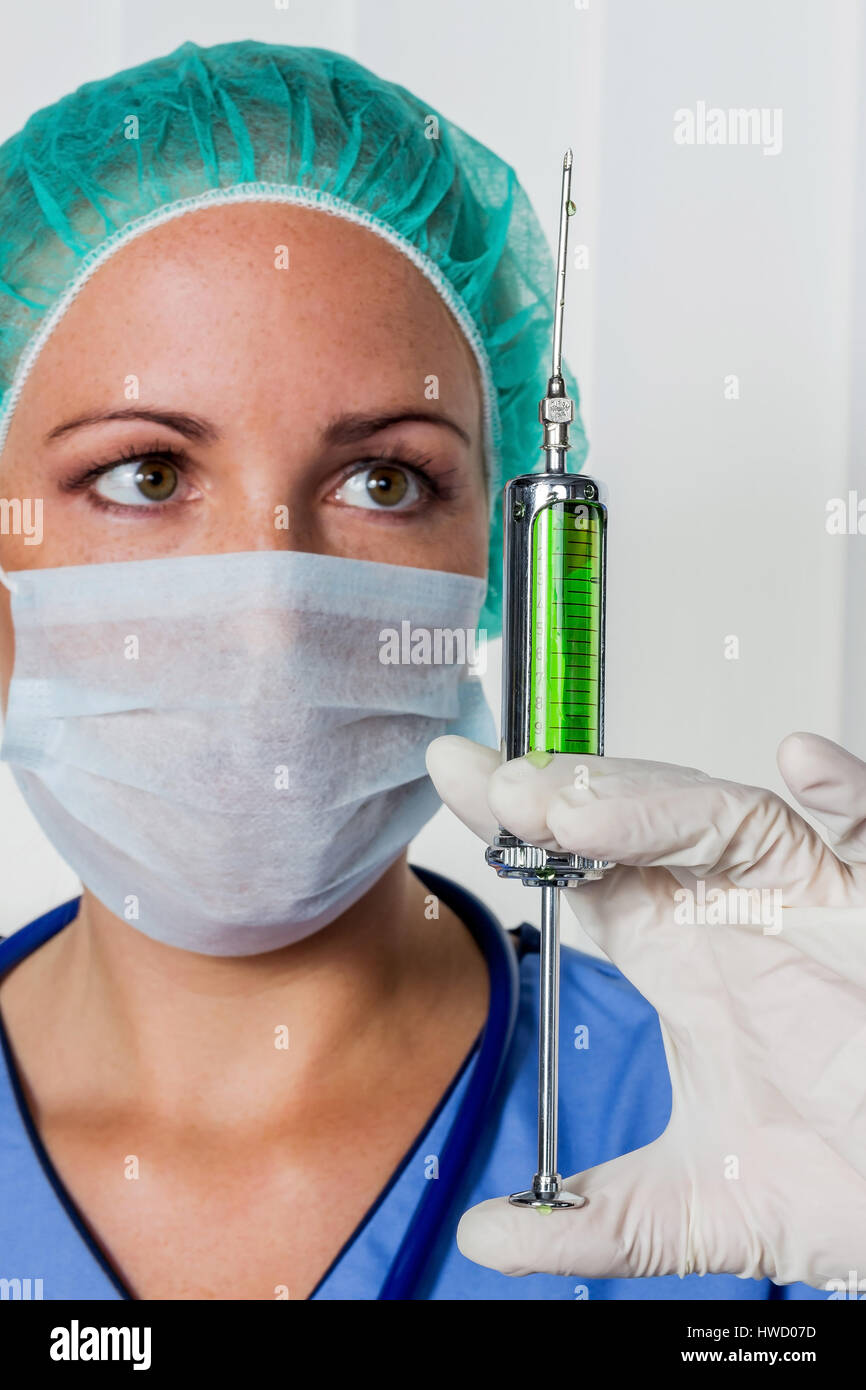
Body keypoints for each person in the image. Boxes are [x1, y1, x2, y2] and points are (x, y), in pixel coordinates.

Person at [0, 39, 859, 1302]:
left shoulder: (745, 1115)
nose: (270, 616)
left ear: (499, 560)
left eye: (383, 481)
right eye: (146, 475)